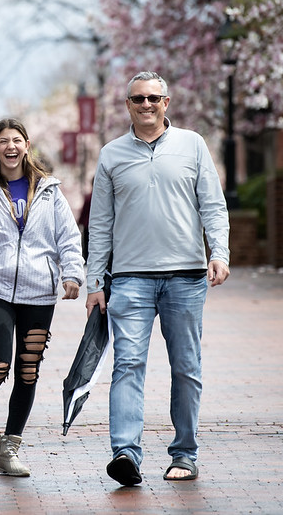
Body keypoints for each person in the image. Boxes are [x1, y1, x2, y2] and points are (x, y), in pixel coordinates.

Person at [85, 71, 230, 486]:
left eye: (153, 98)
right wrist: (95, 282)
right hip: (129, 278)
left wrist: (218, 252)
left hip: (185, 277)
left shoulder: (193, 145)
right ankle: (126, 454)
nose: (145, 105)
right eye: (137, 99)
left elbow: (214, 207)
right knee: (127, 365)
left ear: (166, 102)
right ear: (127, 105)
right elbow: (100, 223)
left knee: (186, 367)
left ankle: (184, 453)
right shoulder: (111, 154)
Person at [0, 118, 84, 477]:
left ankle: (9, 449)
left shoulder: (49, 191)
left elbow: (68, 238)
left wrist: (72, 273)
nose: (10, 147)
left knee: (28, 372)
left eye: (17, 140)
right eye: (3, 141)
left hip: (40, 293)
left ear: (27, 145)